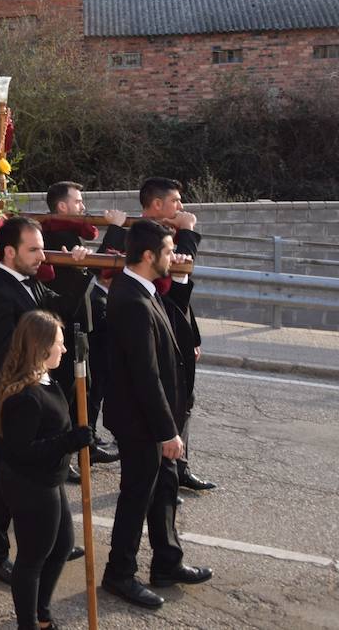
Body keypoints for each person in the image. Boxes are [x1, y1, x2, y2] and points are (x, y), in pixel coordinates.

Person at [101, 219, 212, 610]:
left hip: (156, 418)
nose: (174, 257)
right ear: (149, 256)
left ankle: (167, 562)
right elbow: (144, 374)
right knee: (137, 497)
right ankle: (119, 573)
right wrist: (167, 431)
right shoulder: (131, 299)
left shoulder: (145, 290)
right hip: (141, 422)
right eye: (168, 251)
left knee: (164, 491)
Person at [0, 216, 88, 584]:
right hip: (10, 399)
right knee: (5, 477)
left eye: (42, 247)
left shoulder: (32, 284)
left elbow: (64, 310)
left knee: (36, 471)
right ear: (9, 252)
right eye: (34, 249)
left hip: (34, 393)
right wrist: (31, 393)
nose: (43, 255)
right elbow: (5, 353)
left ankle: (52, 540)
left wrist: (80, 267)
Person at [101, 177, 214, 493]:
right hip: (156, 332)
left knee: (185, 400)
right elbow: (174, 280)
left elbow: (182, 299)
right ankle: (163, 473)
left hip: (178, 330)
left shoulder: (166, 234)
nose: (181, 208)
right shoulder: (142, 240)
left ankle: (179, 468)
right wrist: (189, 234)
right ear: (156, 205)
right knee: (161, 400)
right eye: (176, 201)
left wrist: (194, 337)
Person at [0, 310, 93, 630]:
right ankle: (30, 624)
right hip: (31, 486)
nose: (63, 350)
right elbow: (22, 452)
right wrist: (68, 442)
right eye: (59, 344)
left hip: (50, 480)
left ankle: (41, 611)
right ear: (40, 347)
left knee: (62, 545)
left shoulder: (46, 379)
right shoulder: (24, 397)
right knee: (32, 559)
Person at [41, 181, 125, 468]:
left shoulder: (66, 232)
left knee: (84, 389)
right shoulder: (58, 235)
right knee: (69, 392)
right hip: (64, 326)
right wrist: (115, 229)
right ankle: (63, 456)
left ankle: (83, 445)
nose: (83, 207)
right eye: (78, 201)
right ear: (62, 206)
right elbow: (92, 269)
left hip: (78, 325)